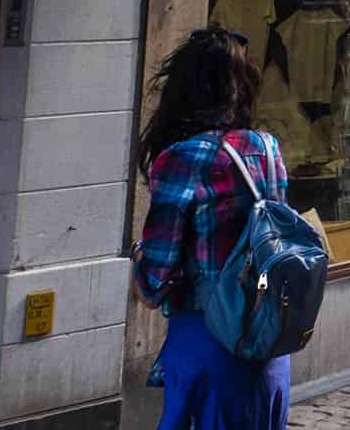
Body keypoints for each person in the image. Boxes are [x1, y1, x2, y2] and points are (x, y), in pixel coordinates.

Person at [130, 29, 296, 430]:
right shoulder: (267, 148)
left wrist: (139, 258)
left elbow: (155, 282)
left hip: (208, 339)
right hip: (264, 341)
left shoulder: (182, 158)